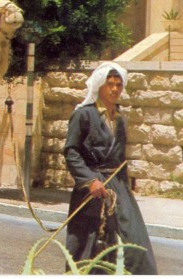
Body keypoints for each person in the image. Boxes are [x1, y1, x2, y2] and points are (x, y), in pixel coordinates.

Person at [63, 62, 158, 275]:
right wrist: (89, 181)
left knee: (134, 239)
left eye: (118, 85)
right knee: (90, 242)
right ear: (99, 86)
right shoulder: (83, 115)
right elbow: (71, 152)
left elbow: (120, 158)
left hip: (118, 187)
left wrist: (126, 187)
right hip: (92, 187)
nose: (115, 89)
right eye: (110, 84)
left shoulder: (121, 119)